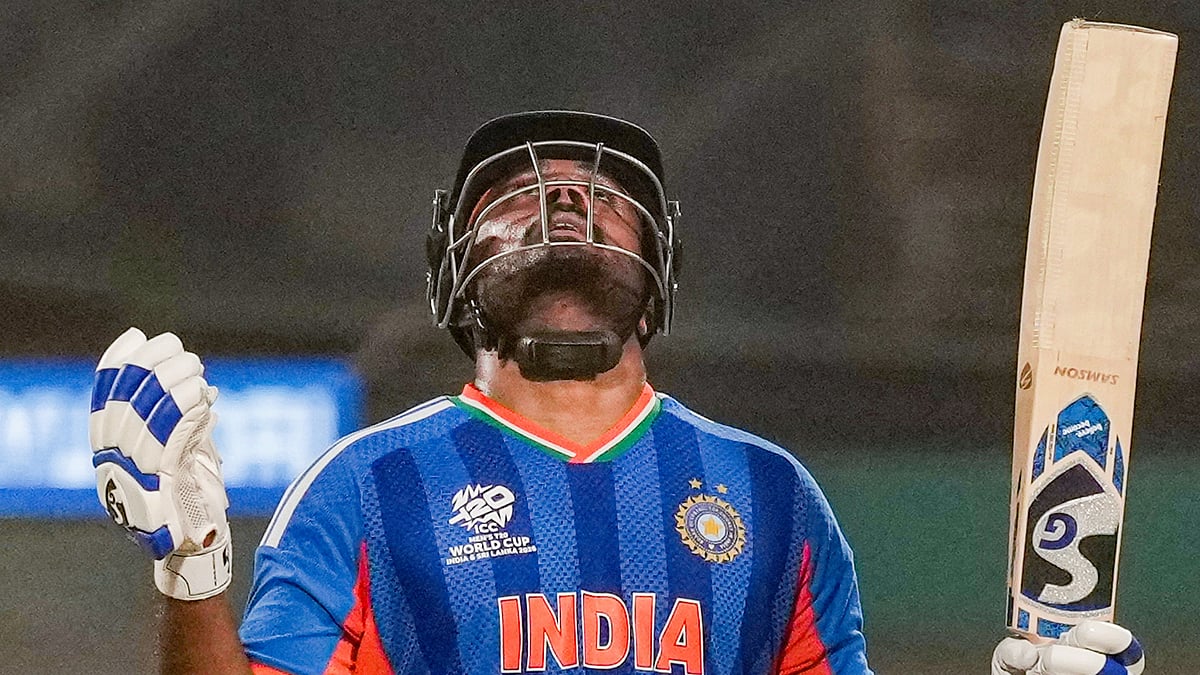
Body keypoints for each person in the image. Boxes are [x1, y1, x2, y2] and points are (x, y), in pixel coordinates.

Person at [89, 111, 1142, 675]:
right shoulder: (363, 486)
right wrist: (192, 576)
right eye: (521, 195)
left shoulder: (773, 496)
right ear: (453, 269)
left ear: (656, 275)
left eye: (601, 195)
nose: (565, 197)